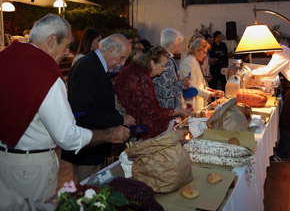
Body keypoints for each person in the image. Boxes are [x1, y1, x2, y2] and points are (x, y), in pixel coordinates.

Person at [0, 14, 129, 206]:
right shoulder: (46, 74)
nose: (68, 53)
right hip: (31, 167)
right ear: (52, 41)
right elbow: (68, 137)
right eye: (67, 45)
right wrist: (108, 135)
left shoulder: (5, 58)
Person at [61, 34, 136, 183]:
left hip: (97, 144)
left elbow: (103, 103)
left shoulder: (97, 65)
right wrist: (119, 119)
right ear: (111, 49)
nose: (122, 63)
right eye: (121, 58)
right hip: (87, 146)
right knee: (85, 191)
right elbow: (84, 110)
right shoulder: (86, 66)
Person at [114, 46, 191, 140]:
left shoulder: (138, 70)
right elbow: (152, 111)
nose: (164, 70)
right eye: (162, 66)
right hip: (128, 124)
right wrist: (178, 111)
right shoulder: (142, 77)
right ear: (152, 63)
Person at [251, 45, 290, 162]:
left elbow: (269, 71)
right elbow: (273, 73)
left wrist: (251, 72)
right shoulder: (283, 50)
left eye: (266, 51)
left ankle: (282, 155)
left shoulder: (281, 52)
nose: (267, 54)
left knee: (286, 120)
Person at [179, 38, 224, 111]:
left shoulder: (194, 61)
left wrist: (210, 90)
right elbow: (192, 87)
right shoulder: (188, 63)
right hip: (192, 104)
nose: (205, 55)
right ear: (196, 50)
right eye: (204, 52)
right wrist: (211, 94)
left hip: (198, 102)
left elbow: (199, 83)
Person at [153, 28, 190, 109]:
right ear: (171, 43)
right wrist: (182, 84)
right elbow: (165, 91)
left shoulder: (166, 58)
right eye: (177, 44)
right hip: (168, 109)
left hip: (170, 108)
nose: (177, 47)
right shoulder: (166, 61)